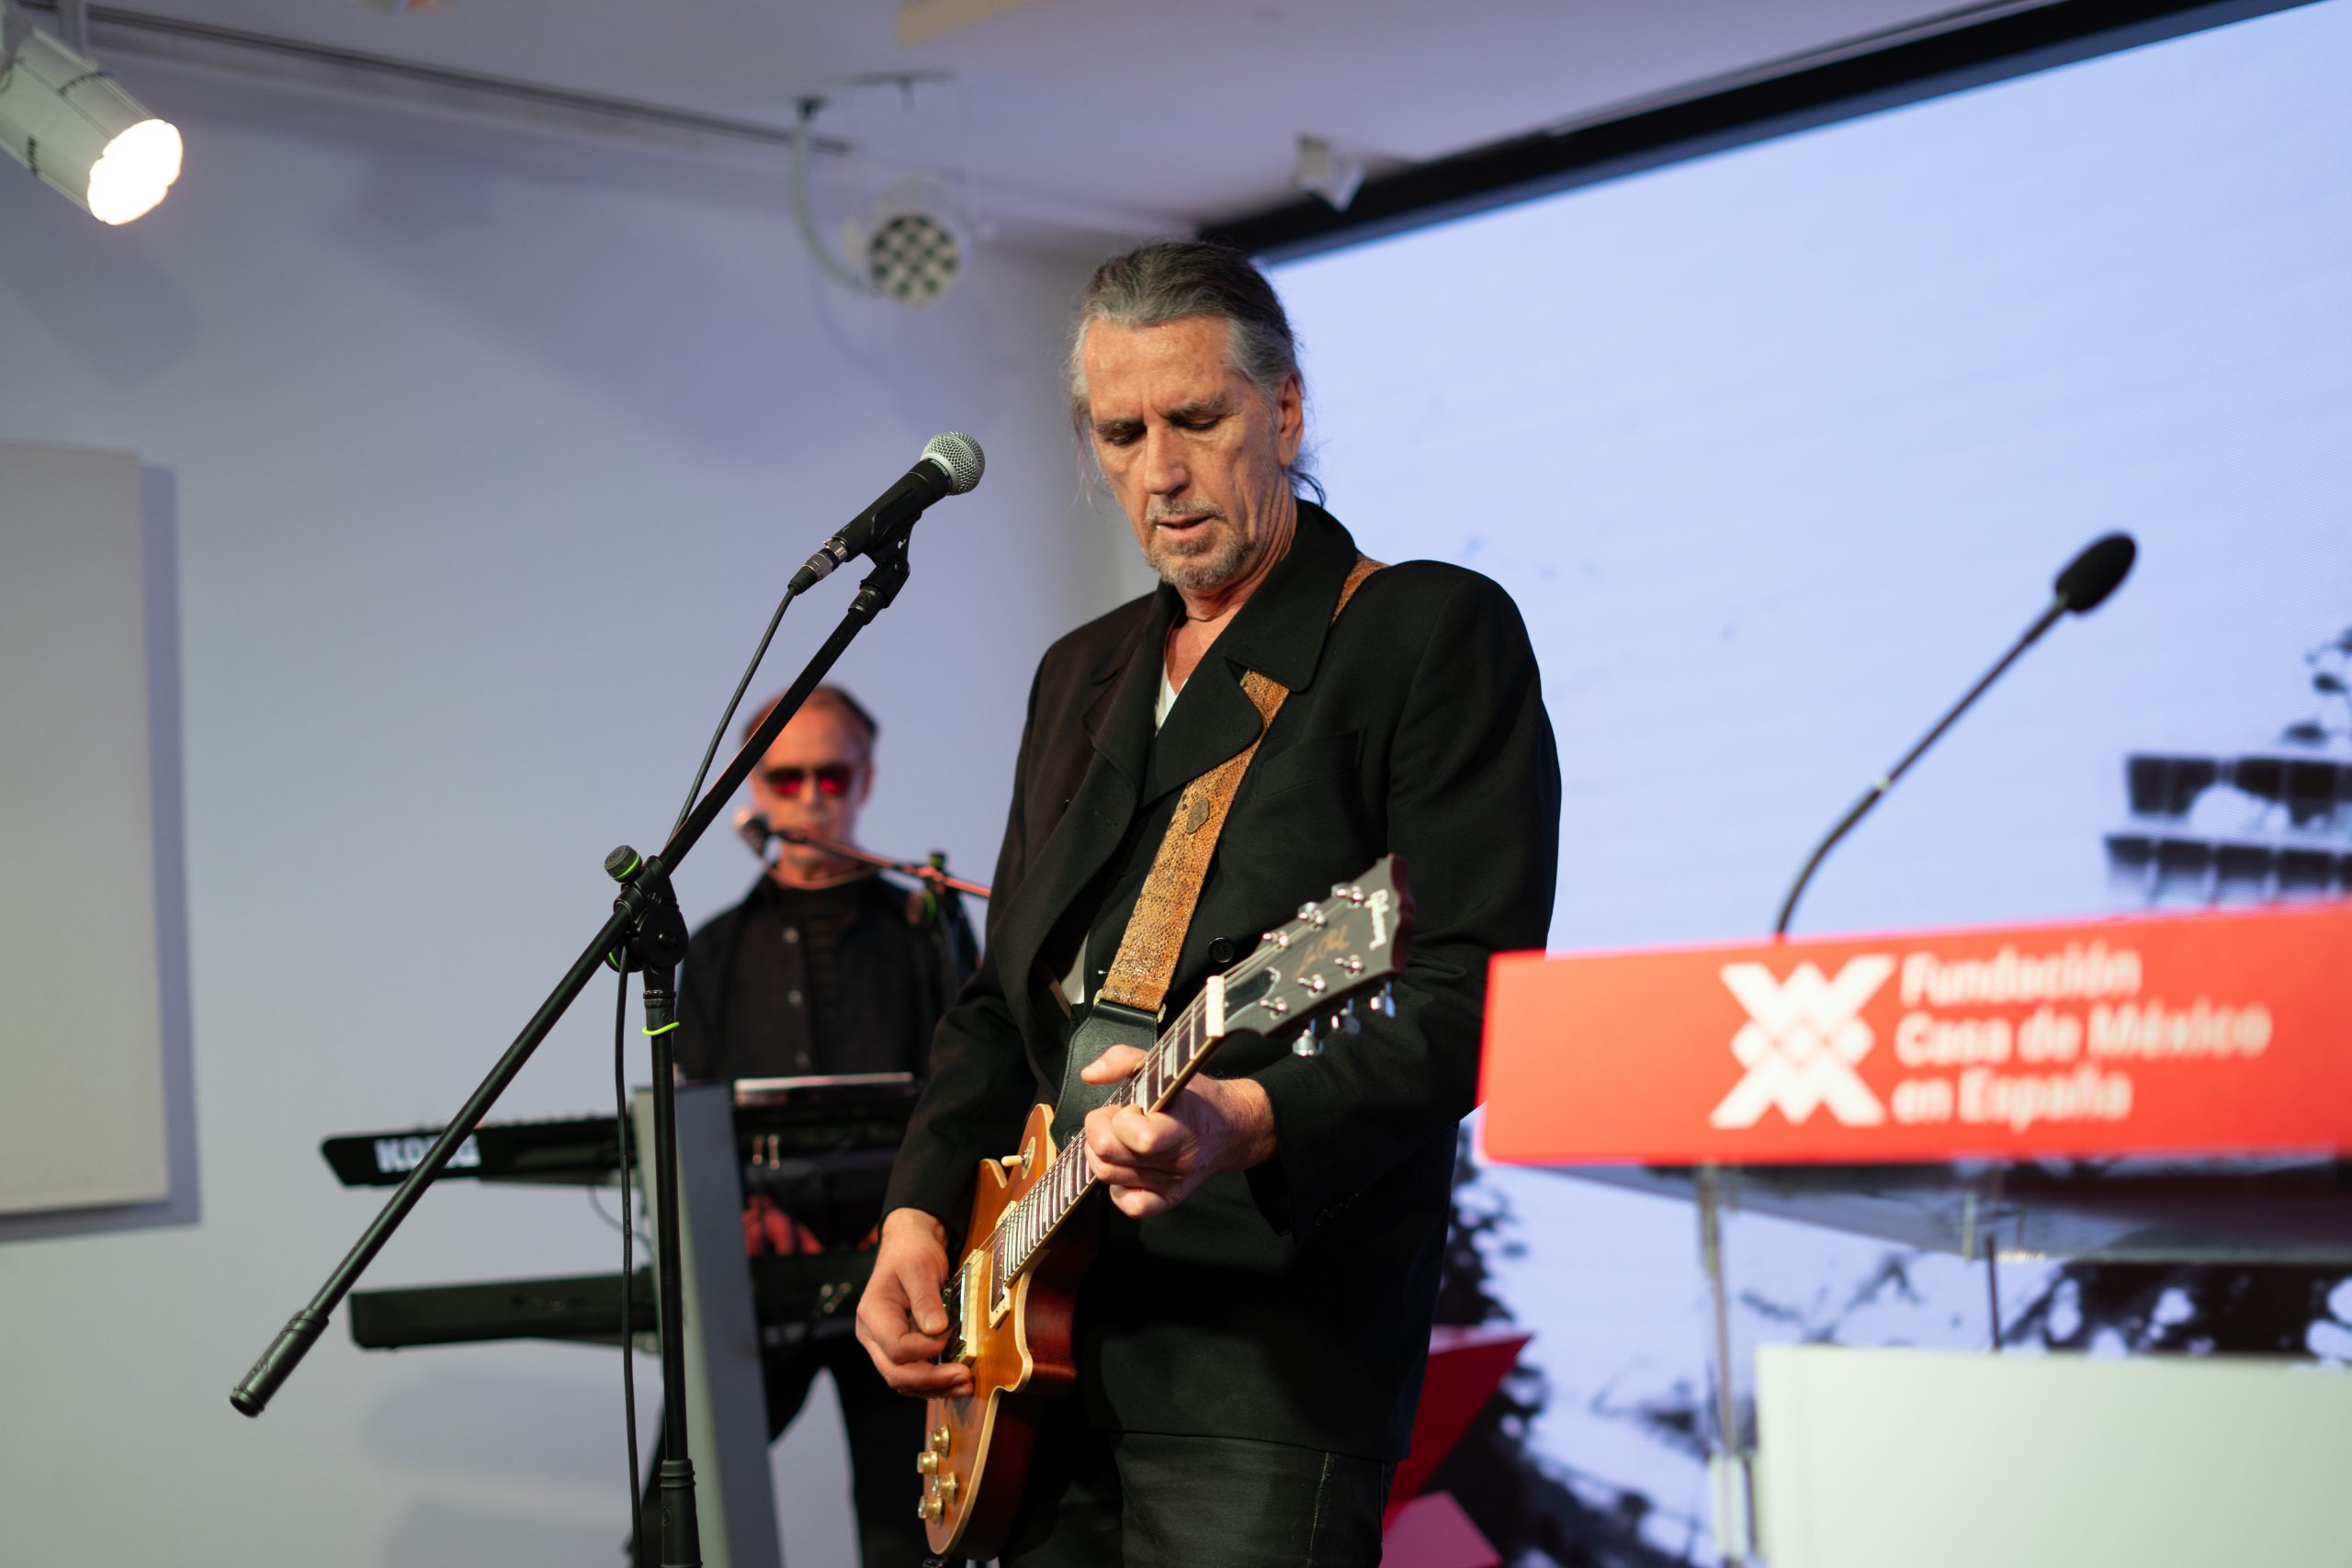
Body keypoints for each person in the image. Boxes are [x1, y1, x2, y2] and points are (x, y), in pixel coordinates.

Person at [855, 239, 1561, 1565]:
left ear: (1282, 411)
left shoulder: (1422, 632)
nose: (1161, 472)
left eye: (1196, 419)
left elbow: (1475, 998)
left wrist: (1246, 1117)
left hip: (1266, 1364)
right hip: (1032, 1351)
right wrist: (918, 1212)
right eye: (1121, 434)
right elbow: (1002, 1003)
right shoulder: (1080, 672)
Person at [668, 683, 976, 1568]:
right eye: (786, 777)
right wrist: (745, 1212)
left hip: (906, 1275)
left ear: (864, 779)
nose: (810, 798)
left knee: (910, 1533)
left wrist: (920, 1214)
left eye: (831, 776)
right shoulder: (713, 950)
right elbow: (694, 1111)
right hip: (766, 1276)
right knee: (672, 1517)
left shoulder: (928, 925)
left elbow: (976, 1091)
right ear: (753, 788)